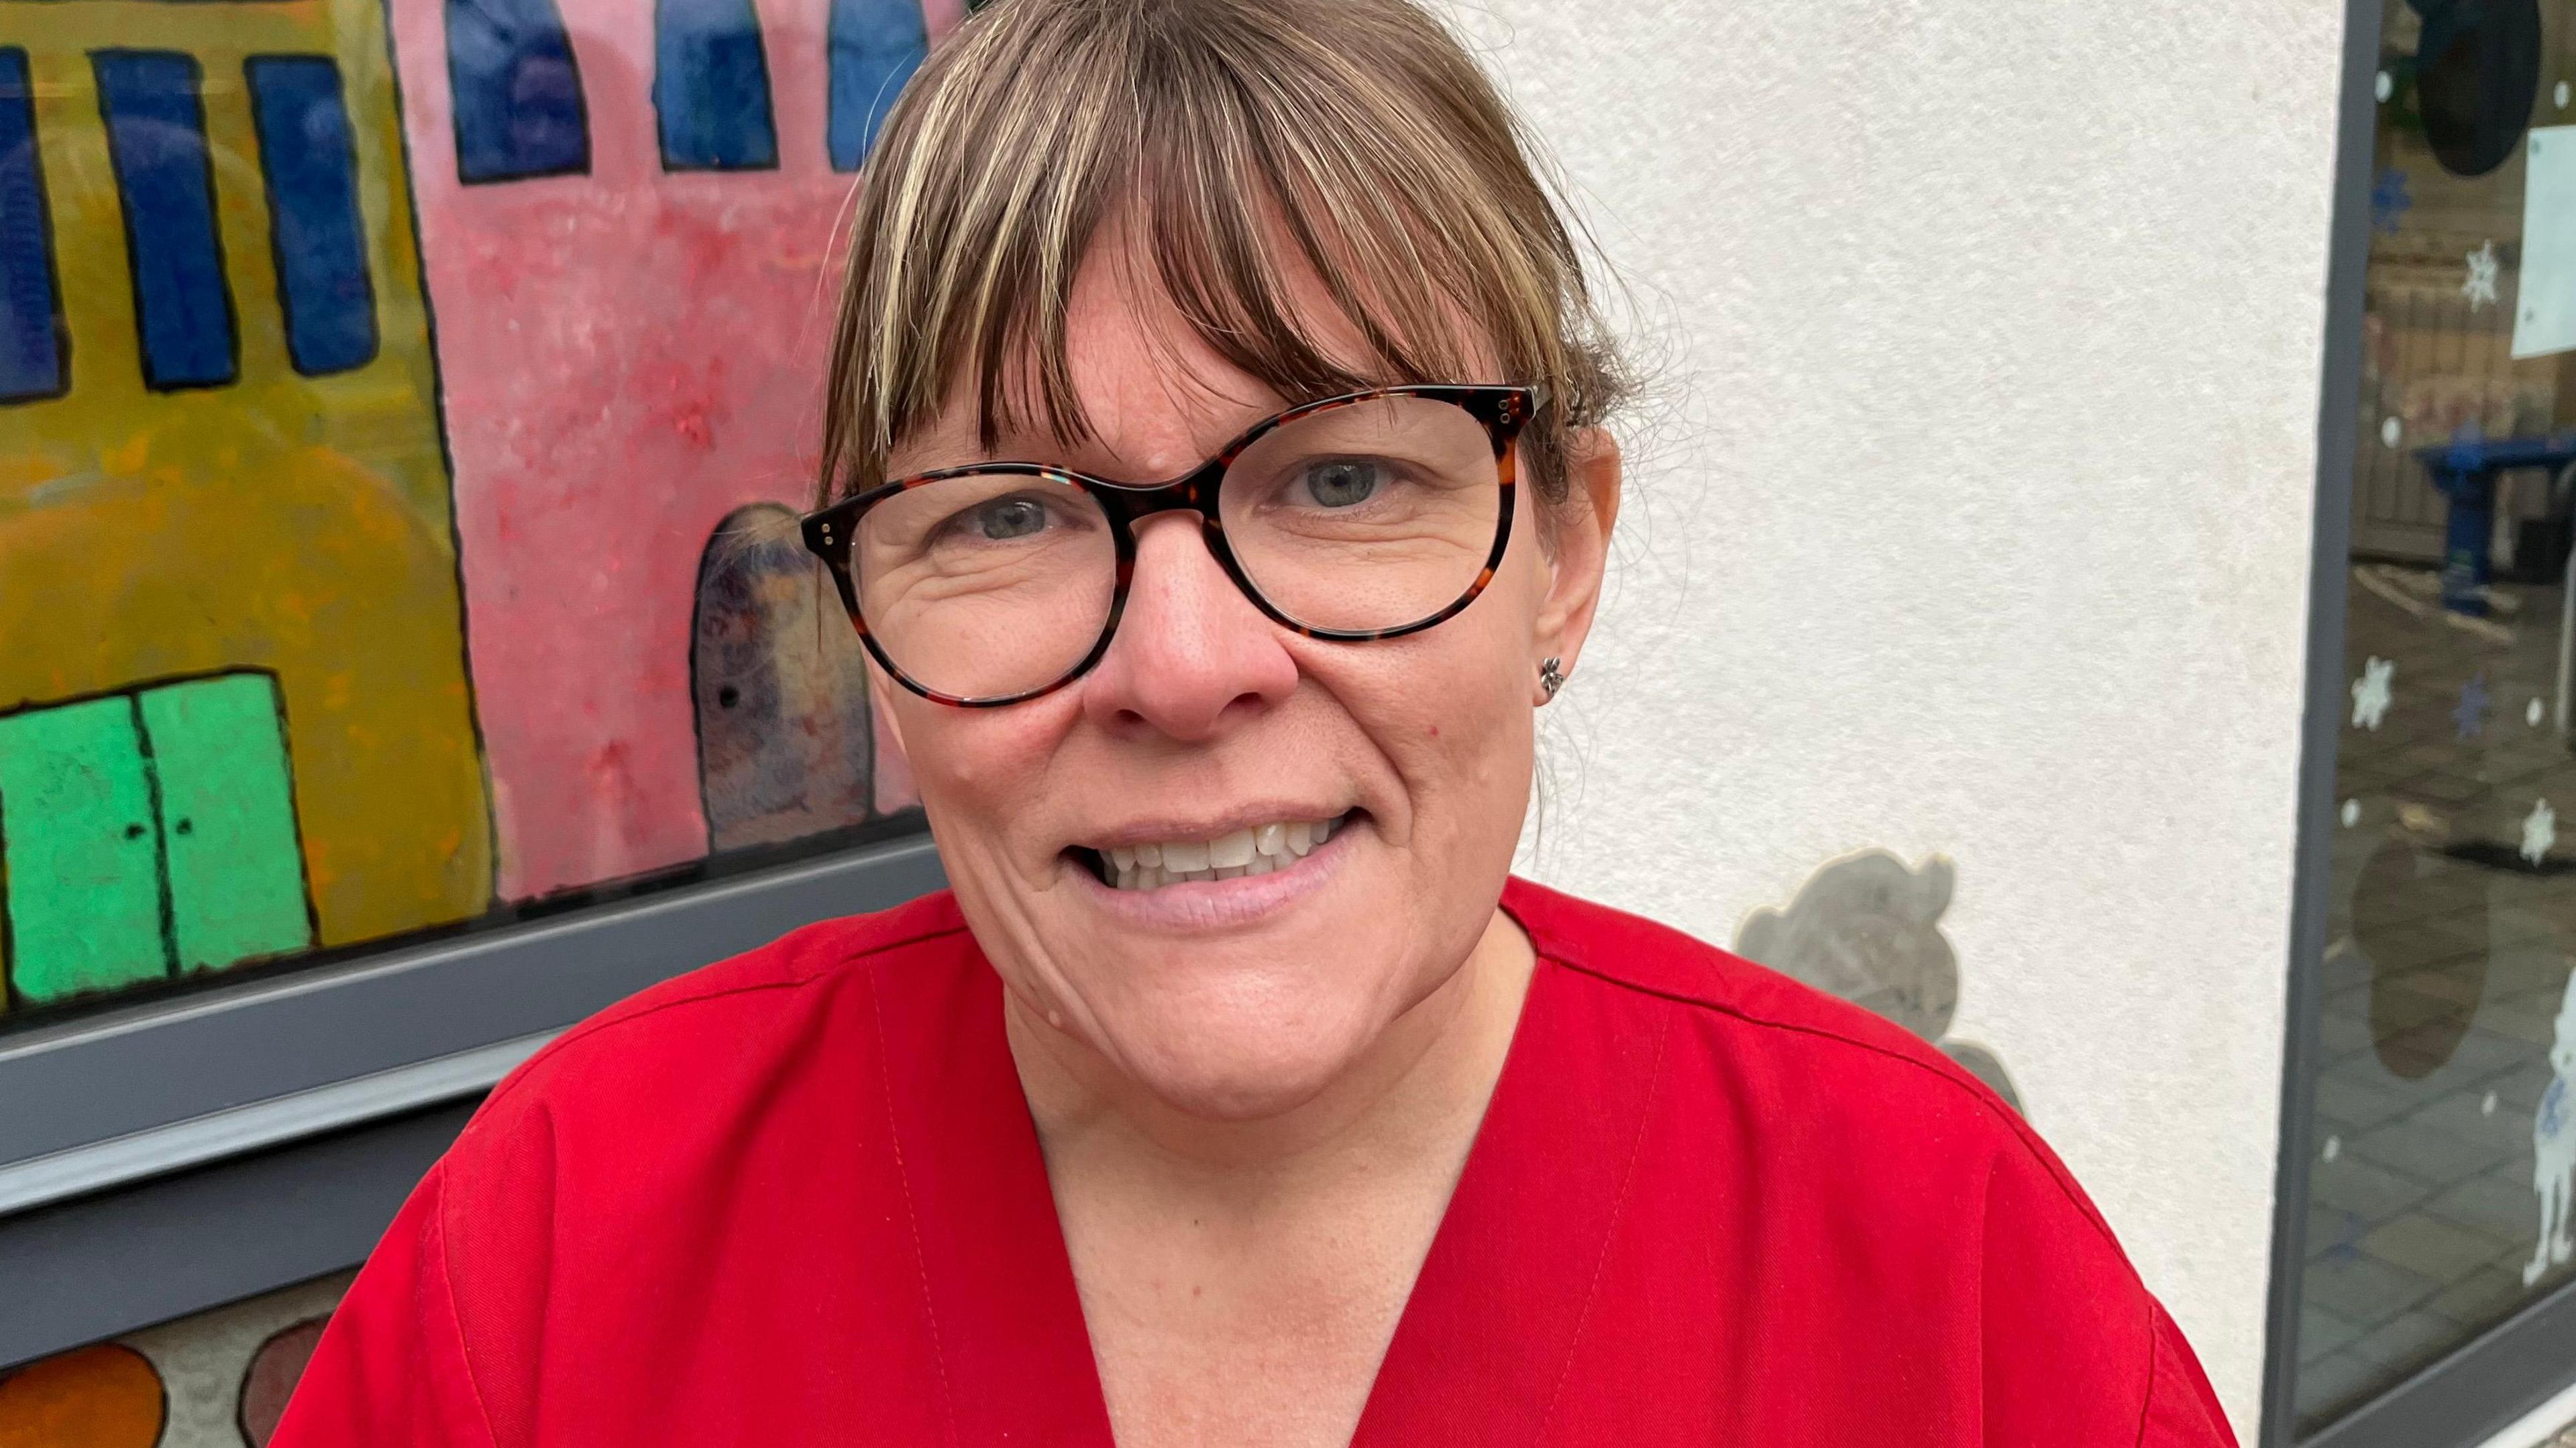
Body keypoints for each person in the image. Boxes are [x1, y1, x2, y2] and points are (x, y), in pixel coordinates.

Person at [272, 0, 2238, 1442]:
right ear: (869, 619)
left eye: (1343, 480)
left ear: (1561, 551)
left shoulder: (1951, 1290)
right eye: (1015, 515)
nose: (1189, 665)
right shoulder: (562, 1256)